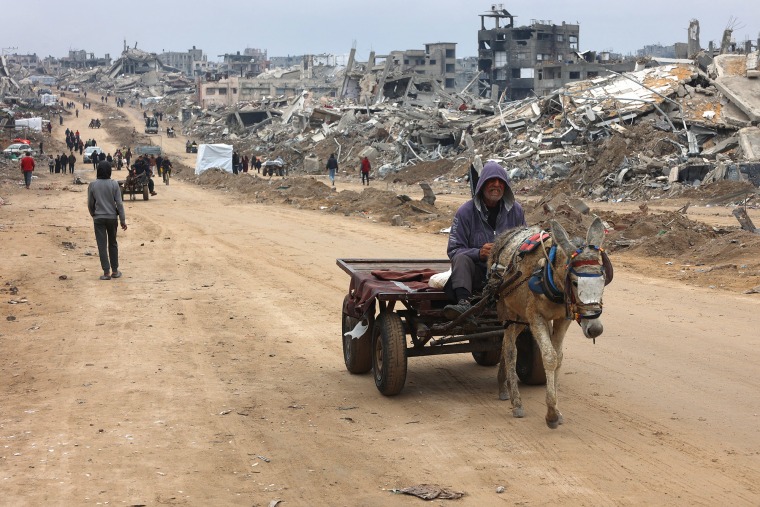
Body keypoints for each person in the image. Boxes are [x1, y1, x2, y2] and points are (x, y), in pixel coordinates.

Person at [443, 161, 526, 319]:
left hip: (506, 275)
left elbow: (525, 243)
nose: (496, 185)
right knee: (461, 258)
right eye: (491, 181)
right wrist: (478, 253)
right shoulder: (465, 212)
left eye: (500, 181)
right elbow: (454, 250)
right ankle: (463, 304)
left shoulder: (516, 211)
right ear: (482, 184)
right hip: (477, 274)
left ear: (506, 186)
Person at [87, 161, 127, 280]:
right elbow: (119, 204)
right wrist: (122, 220)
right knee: (113, 243)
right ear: (109, 171)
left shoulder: (92, 185)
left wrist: (93, 214)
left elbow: (90, 203)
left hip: (98, 218)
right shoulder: (114, 184)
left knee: (102, 245)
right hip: (112, 218)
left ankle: (106, 272)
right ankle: (115, 271)